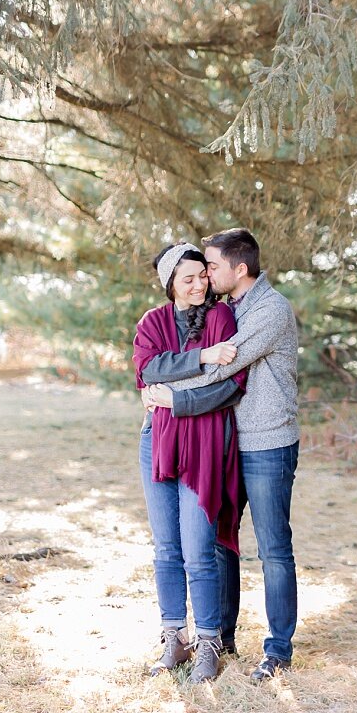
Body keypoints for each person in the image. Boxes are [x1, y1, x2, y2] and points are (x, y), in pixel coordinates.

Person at [142, 228, 300, 683]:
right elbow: (186, 358)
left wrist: (164, 393)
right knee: (220, 538)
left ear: (239, 268)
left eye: (212, 267)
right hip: (227, 441)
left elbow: (221, 368)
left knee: (272, 550)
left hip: (267, 442)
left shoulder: (270, 310)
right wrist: (153, 378)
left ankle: (278, 650)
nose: (206, 277)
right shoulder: (227, 310)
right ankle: (222, 637)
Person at [132, 243, 248, 684]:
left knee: (199, 551)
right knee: (166, 548)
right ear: (171, 285)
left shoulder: (220, 318)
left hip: (204, 442)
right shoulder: (153, 322)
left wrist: (177, 399)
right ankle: (175, 638)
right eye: (189, 278)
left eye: (203, 275)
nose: (200, 284)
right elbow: (146, 370)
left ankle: (208, 643)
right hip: (156, 441)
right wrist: (201, 357)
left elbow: (231, 383)